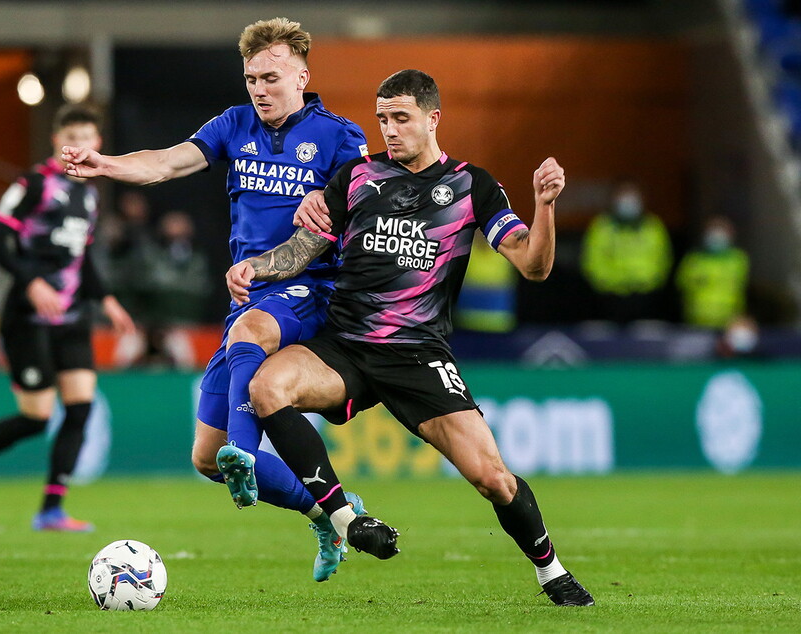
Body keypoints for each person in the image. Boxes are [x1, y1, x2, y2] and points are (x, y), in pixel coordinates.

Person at [228, 70, 594, 606]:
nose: (390, 130)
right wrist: (256, 268)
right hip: (345, 345)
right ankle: (345, 519)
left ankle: (552, 572)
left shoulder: (473, 186)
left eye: (401, 118)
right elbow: (303, 249)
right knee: (267, 388)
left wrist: (546, 206)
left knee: (493, 478)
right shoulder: (356, 176)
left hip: (418, 355)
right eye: (382, 119)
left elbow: (534, 266)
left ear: (432, 118)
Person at [60, 18, 369, 581]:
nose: (259, 88)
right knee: (205, 458)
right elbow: (167, 162)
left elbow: (350, 211)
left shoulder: (340, 136)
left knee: (250, 344)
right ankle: (327, 512)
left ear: (303, 74)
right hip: (248, 293)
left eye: (271, 77)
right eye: (251, 78)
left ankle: (247, 453)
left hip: (310, 289)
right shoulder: (234, 125)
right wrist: (107, 165)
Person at [0, 104, 135, 531]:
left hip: (71, 317)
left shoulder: (89, 193)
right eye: (72, 138)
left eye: (87, 137)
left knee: (80, 407)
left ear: (97, 144)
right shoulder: (34, 184)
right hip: (26, 316)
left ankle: (51, 509)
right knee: (37, 416)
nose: (79, 145)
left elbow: (79, 258)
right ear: (57, 142)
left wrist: (107, 299)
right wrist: (31, 283)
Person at [581, 180, 672, 322]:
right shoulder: (601, 227)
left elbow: (663, 261)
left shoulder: (653, 227)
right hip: (609, 298)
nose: (628, 201)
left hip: (645, 298)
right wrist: (607, 285)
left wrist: (649, 285)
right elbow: (592, 261)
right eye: (623, 195)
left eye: (633, 196)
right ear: (613, 199)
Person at [675, 216, 749, 329]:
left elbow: (741, 284)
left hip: (728, 319)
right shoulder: (694, 259)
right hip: (696, 318)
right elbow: (682, 283)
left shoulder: (738, 259)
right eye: (713, 232)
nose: (717, 238)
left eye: (721, 232)